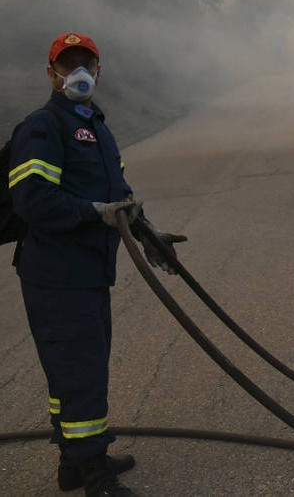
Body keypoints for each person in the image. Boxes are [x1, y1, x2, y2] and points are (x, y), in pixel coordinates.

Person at [9, 32, 187, 496]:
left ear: (98, 70)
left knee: (75, 369)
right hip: (57, 275)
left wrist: (150, 235)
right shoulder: (43, 127)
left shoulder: (97, 126)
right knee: (79, 369)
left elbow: (120, 198)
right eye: (68, 65)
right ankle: (93, 476)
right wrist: (91, 213)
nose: (78, 73)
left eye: (85, 63)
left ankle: (74, 462)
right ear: (51, 74)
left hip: (86, 272)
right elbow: (32, 200)